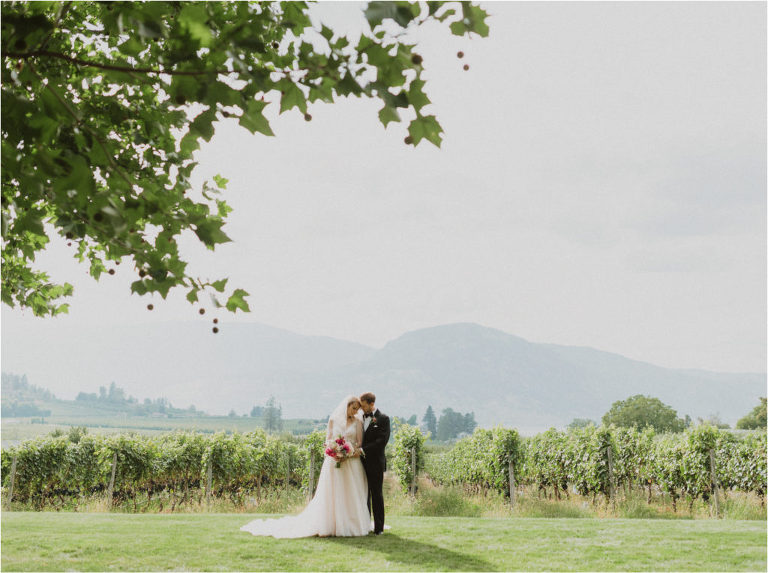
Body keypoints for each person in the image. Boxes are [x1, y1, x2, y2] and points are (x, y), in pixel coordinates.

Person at [240, 395, 371, 538]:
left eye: (357, 409)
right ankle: (331, 524)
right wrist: (334, 450)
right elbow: (327, 440)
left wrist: (347, 452)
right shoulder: (333, 420)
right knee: (333, 493)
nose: (354, 412)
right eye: (353, 408)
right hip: (333, 462)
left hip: (351, 463)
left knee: (349, 493)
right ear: (346, 406)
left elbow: (358, 443)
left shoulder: (357, 422)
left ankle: (350, 524)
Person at [359, 392, 391, 535]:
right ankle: (365, 525)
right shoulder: (359, 419)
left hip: (375, 463)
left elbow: (381, 442)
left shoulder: (383, 419)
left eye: (364, 406)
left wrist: (362, 450)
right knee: (363, 494)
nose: (362, 409)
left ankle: (379, 528)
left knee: (376, 494)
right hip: (359, 463)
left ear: (371, 404)